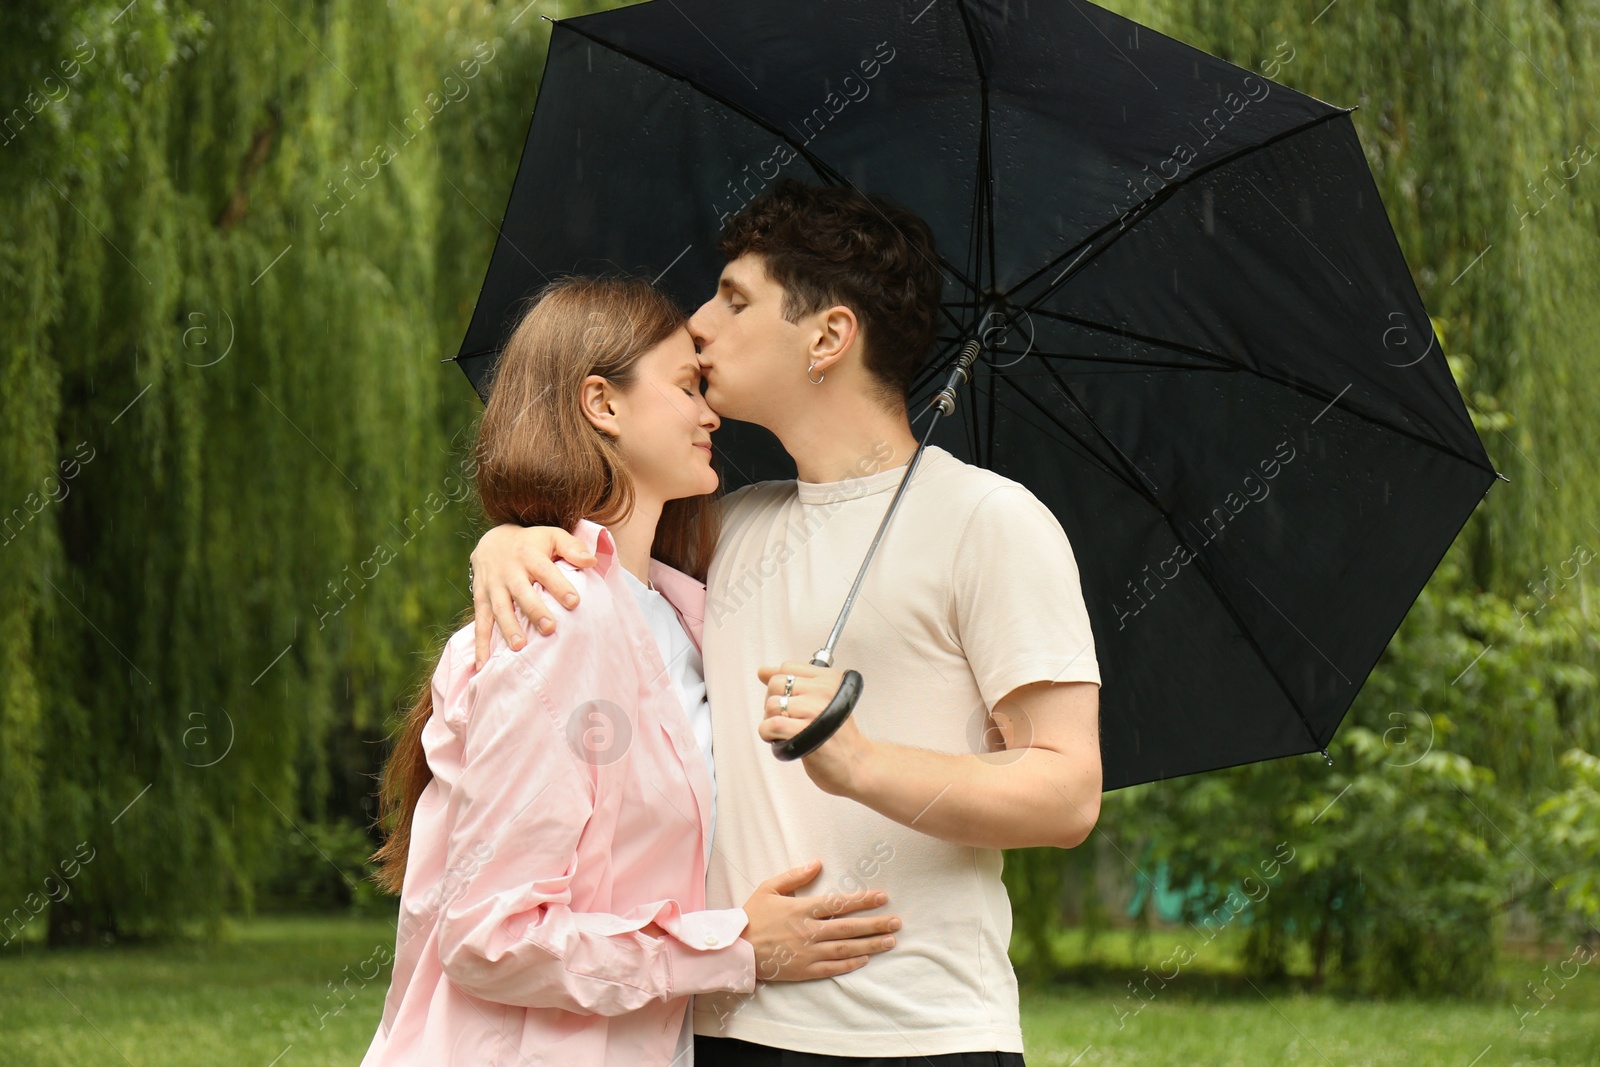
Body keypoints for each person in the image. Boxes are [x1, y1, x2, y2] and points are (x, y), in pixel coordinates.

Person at [468, 181, 1104, 1066]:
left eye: (733, 299)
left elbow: (1066, 791)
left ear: (829, 337)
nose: (697, 322)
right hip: (723, 1024)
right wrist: (506, 541)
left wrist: (866, 764)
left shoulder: (991, 522)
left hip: (916, 1035)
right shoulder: (727, 526)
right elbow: (607, 574)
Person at [361, 276, 903, 1067]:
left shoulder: (684, 618)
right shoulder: (556, 620)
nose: (711, 413)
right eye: (687, 387)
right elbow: (491, 933)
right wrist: (734, 946)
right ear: (602, 404)